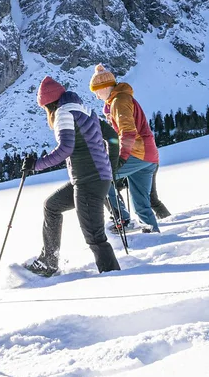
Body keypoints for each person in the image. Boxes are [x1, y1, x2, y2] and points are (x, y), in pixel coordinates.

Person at [23, 77, 121, 277]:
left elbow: (65, 149)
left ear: (48, 105)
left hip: (88, 181)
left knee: (95, 237)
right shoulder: (85, 110)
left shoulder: (63, 113)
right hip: (93, 178)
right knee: (52, 206)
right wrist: (110, 167)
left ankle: (114, 277)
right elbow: (112, 136)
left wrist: (35, 165)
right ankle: (49, 261)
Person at [89, 66, 162, 234]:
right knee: (142, 205)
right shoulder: (120, 99)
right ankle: (154, 238)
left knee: (102, 177)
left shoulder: (119, 101)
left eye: (96, 91)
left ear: (105, 87)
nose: (96, 95)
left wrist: (121, 158)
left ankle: (122, 218)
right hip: (148, 156)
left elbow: (128, 132)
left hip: (138, 153)